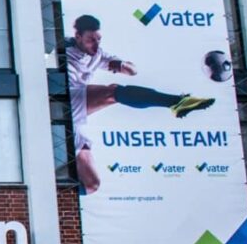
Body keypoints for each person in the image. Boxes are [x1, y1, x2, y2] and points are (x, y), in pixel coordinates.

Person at [66, 14, 214, 195]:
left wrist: (121, 66)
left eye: (98, 40)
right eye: (90, 40)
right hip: (61, 99)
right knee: (112, 92)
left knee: (91, 184)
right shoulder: (63, 48)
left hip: (74, 117)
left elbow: (132, 71)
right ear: (78, 36)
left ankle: (51, 191)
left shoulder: (98, 54)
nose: (95, 45)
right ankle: (176, 102)